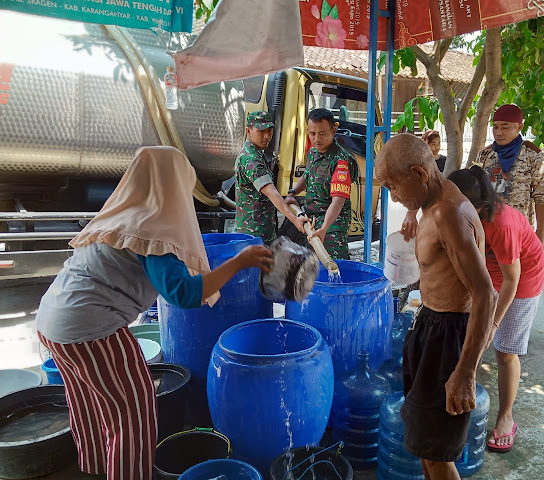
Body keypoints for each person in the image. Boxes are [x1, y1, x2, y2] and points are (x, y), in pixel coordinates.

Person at [36, 146, 274, 480]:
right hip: (91, 329)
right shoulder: (153, 227)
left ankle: (95, 469)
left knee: (89, 404)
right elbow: (183, 294)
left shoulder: (125, 211)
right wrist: (239, 261)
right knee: (133, 411)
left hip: (52, 322)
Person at [376, 134, 497, 480]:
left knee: (439, 455)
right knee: (426, 446)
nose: (393, 196)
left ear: (419, 173)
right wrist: (414, 210)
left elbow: (485, 294)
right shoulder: (432, 201)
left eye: (393, 187)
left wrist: (465, 373)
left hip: (449, 337)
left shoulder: (449, 214)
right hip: (431, 326)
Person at [449, 166, 544, 453]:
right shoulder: (462, 212)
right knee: (467, 333)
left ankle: (506, 417)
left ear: (474, 206)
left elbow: (512, 279)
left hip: (522, 280)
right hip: (491, 273)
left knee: (504, 350)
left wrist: (493, 323)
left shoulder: (501, 224)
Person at [469, 104, 544, 245]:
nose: (498, 132)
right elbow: (475, 192)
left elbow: (542, 197)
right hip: (487, 230)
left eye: (505, 127)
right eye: (495, 127)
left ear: (519, 127)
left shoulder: (534, 156)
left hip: (519, 232)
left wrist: (540, 233)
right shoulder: (485, 155)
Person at [285, 108, 359, 259]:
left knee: (333, 266)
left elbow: (338, 202)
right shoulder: (313, 152)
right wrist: (292, 193)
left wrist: (324, 228)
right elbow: (308, 176)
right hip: (311, 222)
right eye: (312, 133)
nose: (317, 138)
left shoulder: (342, 161)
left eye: (322, 133)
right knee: (312, 268)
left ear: (334, 130)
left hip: (332, 225)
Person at [235, 111, 308, 244]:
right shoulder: (251, 159)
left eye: (269, 131)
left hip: (262, 231)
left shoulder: (257, 153)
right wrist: (294, 219)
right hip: (254, 234)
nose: (267, 136)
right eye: (261, 131)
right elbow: (271, 192)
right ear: (248, 131)